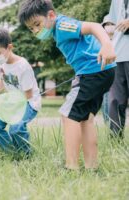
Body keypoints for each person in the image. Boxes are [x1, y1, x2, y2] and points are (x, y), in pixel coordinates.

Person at [18, 0, 116, 170]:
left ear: (51, 15)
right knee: (86, 120)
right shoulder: (58, 29)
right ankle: (91, 166)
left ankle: (71, 167)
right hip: (102, 72)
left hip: (92, 72)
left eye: (37, 24)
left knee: (69, 116)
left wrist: (107, 44)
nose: (35, 31)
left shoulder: (62, 25)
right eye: (31, 28)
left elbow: (93, 26)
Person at [0, 28, 41, 156]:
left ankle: (26, 155)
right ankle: (12, 153)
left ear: (9, 47)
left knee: (15, 129)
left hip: (29, 103)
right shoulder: (2, 64)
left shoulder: (23, 66)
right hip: (14, 101)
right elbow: (2, 80)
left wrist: (3, 103)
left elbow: (28, 95)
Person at [106, 0, 129, 139]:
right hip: (118, 54)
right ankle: (115, 143)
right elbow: (112, 20)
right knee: (115, 101)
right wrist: (106, 27)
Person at [101, 15, 116, 124]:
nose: (109, 27)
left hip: (120, 72)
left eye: (112, 24)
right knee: (106, 99)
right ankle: (108, 123)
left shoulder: (121, 40)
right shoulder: (101, 42)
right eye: (107, 25)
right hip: (106, 73)